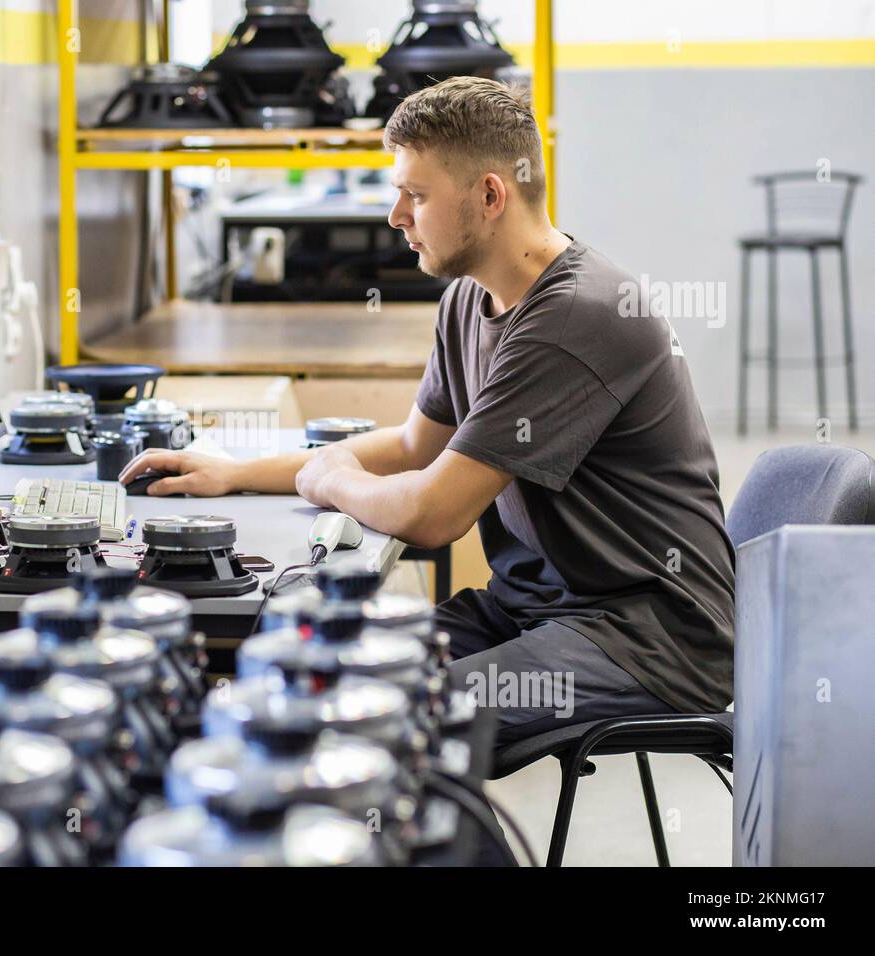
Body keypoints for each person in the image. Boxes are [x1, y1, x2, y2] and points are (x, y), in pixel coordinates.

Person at [118, 76, 734, 746]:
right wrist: (238, 472)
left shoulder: (577, 316)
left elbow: (430, 513)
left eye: (415, 194)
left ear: (490, 195)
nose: (395, 216)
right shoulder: (469, 300)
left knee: (378, 722)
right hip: (534, 608)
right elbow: (415, 448)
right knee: (308, 667)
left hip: (647, 637)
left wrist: (329, 479)